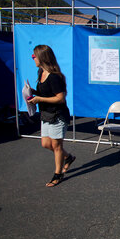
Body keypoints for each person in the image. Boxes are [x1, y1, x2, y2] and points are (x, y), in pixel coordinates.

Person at [27, 45, 76, 187]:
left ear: (42, 57)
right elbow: (46, 93)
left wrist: (39, 99)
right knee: (46, 144)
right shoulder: (40, 72)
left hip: (57, 115)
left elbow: (60, 98)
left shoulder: (54, 77)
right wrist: (34, 92)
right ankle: (68, 158)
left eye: (34, 56)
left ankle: (58, 174)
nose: (33, 58)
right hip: (46, 114)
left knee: (56, 145)